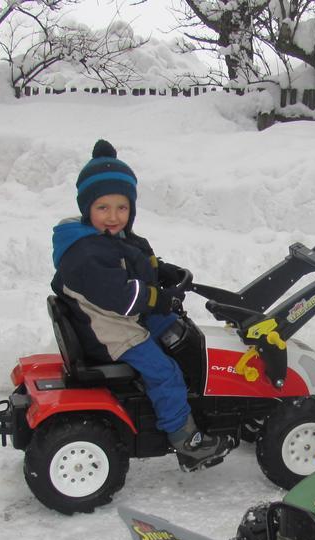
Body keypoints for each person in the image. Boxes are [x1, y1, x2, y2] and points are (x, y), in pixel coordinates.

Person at [51, 139, 235, 471]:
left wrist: (161, 270)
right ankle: (185, 438)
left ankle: (208, 394)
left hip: (120, 317)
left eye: (122, 208)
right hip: (110, 330)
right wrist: (160, 297)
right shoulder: (84, 253)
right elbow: (121, 296)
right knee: (165, 372)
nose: (113, 216)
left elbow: (136, 261)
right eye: (103, 208)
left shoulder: (113, 238)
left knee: (180, 333)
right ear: (86, 208)